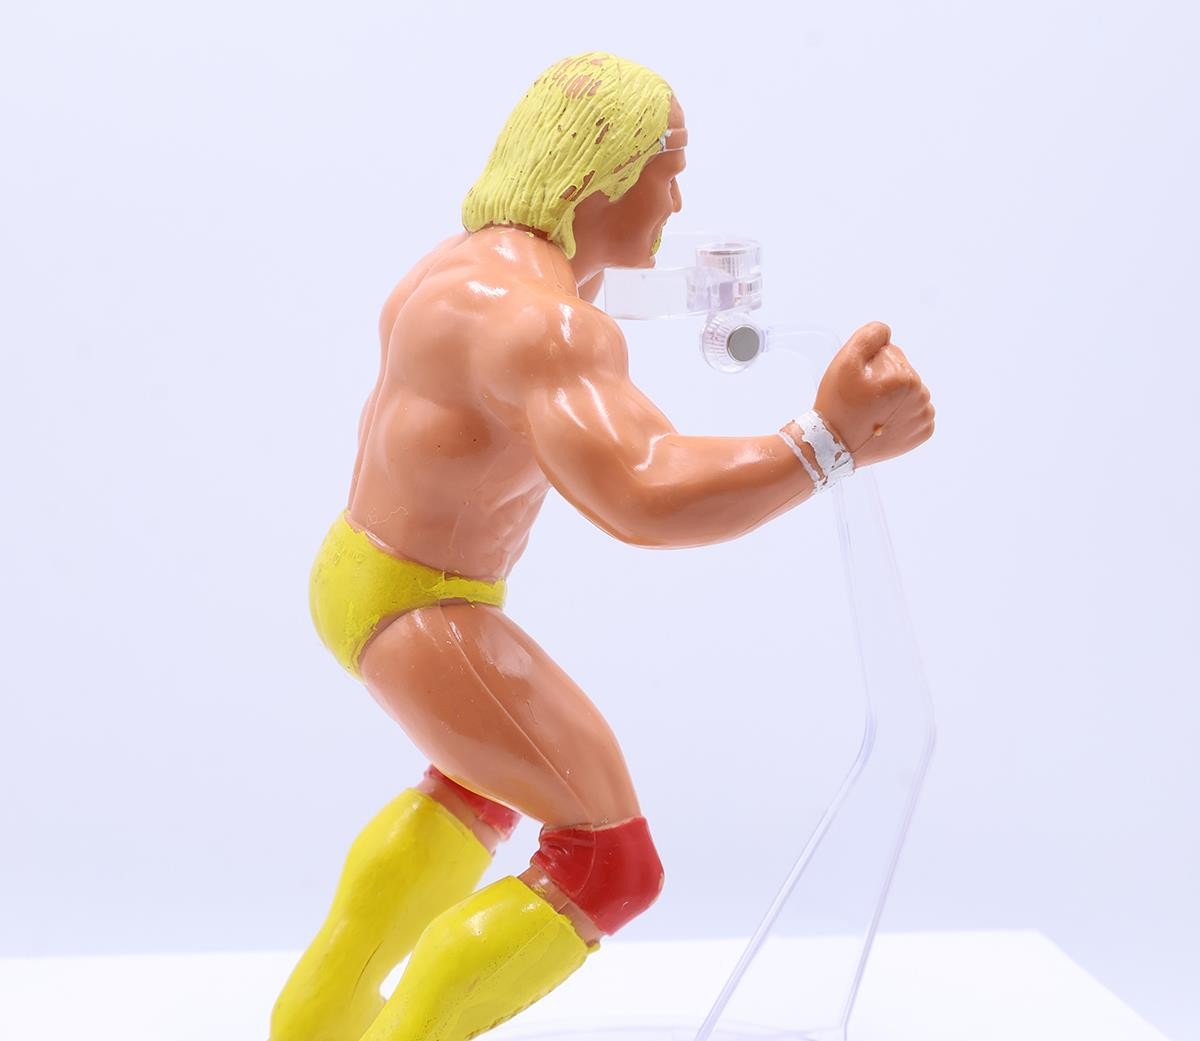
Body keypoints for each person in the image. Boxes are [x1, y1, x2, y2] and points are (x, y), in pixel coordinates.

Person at [270, 51, 935, 1041]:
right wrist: (831, 440)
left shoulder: (465, 266)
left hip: (359, 573)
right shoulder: (547, 327)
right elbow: (644, 492)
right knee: (610, 860)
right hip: (423, 608)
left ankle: (316, 1021)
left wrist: (695, 292)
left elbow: (582, 337)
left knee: (478, 784)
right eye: (667, 170)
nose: (677, 201)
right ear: (597, 176)